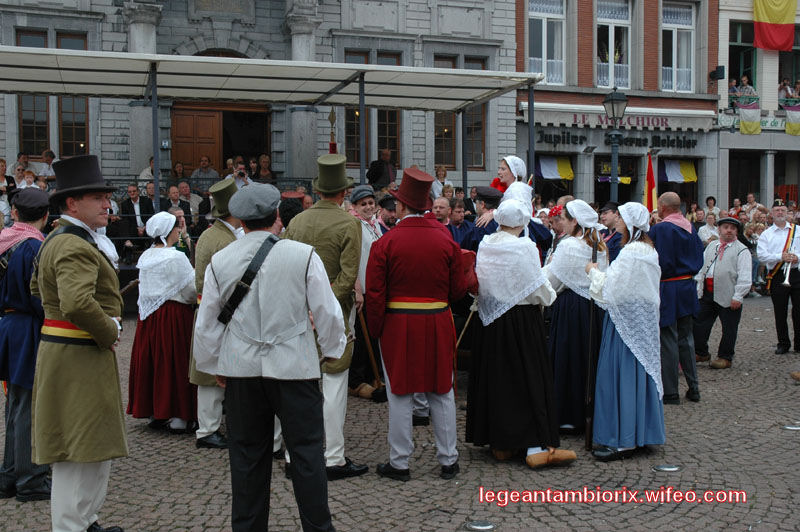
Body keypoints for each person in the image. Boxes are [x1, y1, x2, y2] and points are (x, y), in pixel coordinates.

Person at [193, 183, 342, 532]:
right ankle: (318, 528)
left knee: (246, 458)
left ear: (241, 221)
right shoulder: (303, 254)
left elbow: (208, 322)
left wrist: (213, 363)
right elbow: (327, 312)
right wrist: (333, 350)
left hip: (241, 368)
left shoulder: (221, 260)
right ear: (276, 216)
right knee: (306, 455)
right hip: (294, 367)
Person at [31, 155, 125, 532]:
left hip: (75, 354)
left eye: (107, 197)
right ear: (72, 203)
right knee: (75, 449)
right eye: (98, 197)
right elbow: (75, 302)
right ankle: (72, 525)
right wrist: (110, 329)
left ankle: (86, 521)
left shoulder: (63, 238)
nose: (108, 204)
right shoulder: (73, 244)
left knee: (93, 445)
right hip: (76, 356)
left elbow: (38, 289)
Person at [366, 167, 467, 481]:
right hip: (437, 319)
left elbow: (375, 294)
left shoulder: (386, 242)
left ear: (399, 206)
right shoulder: (445, 237)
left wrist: (376, 328)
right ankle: (448, 460)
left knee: (400, 393)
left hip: (398, 323)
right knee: (441, 390)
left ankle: (400, 463)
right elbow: (458, 287)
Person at [467, 182, 576, 469]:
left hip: (491, 322)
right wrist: (550, 296)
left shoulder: (487, 243)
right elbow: (538, 288)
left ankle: (500, 441)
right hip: (522, 321)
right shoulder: (524, 246)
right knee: (528, 381)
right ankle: (535, 442)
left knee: (499, 380)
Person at [283, 154, 368, 481]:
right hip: (334, 312)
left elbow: (288, 268)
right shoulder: (349, 224)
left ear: (317, 190)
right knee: (333, 382)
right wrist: (324, 306)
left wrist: (306, 305)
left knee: (299, 384)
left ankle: (294, 454)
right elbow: (349, 276)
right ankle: (332, 457)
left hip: (298, 311)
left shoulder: (297, 222)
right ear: (344, 192)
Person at [586, 202, 665, 461]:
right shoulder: (648, 250)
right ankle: (640, 432)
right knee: (638, 376)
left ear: (631, 222)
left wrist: (594, 272)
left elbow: (612, 288)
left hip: (625, 322)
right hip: (640, 320)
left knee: (619, 377)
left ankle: (622, 440)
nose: (617, 220)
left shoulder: (632, 251)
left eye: (620, 216)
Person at [0, 188, 51, 503]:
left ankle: (9, 475)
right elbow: (39, 298)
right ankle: (30, 479)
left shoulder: (5, 242)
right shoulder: (33, 247)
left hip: (8, 325)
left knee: (15, 405)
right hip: (27, 328)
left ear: (15, 213)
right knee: (29, 406)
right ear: (45, 216)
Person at [127, 211, 197, 433]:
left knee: (153, 361)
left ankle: (154, 411)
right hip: (173, 316)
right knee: (174, 362)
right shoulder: (175, 257)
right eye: (177, 229)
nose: (179, 232)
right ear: (168, 231)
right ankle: (178, 415)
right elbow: (190, 290)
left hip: (148, 317)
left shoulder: (146, 256)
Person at [542, 199, 608, 433]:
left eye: (565, 219)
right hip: (593, 307)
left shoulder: (570, 245)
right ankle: (588, 410)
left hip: (571, 308)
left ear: (575, 221)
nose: (562, 223)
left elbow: (553, 282)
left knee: (568, 358)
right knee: (587, 358)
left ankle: (566, 415)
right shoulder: (599, 244)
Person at [190, 178, 241, 450]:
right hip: (220, 310)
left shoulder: (214, 234)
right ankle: (208, 430)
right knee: (211, 372)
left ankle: (209, 426)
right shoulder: (223, 239)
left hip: (211, 308)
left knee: (211, 368)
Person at [649, 192, 704, 404]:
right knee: (686, 337)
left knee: (668, 337)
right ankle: (694, 387)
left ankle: (670, 391)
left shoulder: (661, 229)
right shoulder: (691, 229)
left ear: (662, 207)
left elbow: (654, 258)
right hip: (687, 284)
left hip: (668, 286)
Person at [693, 217, 751, 370]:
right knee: (699, 324)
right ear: (719, 229)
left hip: (728, 294)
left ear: (737, 231)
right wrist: (699, 288)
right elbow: (702, 268)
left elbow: (745, 275)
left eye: (732, 228)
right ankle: (701, 352)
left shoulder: (742, 250)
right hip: (708, 293)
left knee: (729, 327)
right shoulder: (712, 245)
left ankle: (725, 357)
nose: (729, 230)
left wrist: (738, 296)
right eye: (725, 227)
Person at [347, 185, 385, 402]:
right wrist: (357, 288)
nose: (368, 207)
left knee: (373, 333)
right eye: (364, 204)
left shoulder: (374, 226)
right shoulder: (355, 226)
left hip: (375, 288)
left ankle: (374, 375)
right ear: (354, 206)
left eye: (371, 203)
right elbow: (353, 258)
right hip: (363, 287)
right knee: (361, 337)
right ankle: (357, 379)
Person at [757, 199, 800, 354]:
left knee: (798, 310)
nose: (780, 213)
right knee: (780, 311)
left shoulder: (797, 230)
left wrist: (797, 257)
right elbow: (762, 256)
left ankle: (799, 343)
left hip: (796, 273)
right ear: (772, 213)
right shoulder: (766, 234)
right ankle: (783, 343)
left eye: (783, 210)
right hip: (777, 275)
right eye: (777, 210)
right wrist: (780, 256)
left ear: (787, 213)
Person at [120, 182, 155, 251]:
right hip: (133, 229)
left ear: (138, 192)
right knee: (123, 225)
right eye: (130, 192)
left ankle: (152, 253)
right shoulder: (125, 204)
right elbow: (126, 220)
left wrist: (144, 227)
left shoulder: (147, 201)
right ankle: (128, 256)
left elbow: (151, 216)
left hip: (146, 227)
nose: (132, 193)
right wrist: (137, 229)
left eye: (134, 191)